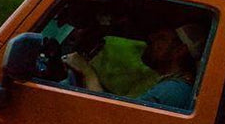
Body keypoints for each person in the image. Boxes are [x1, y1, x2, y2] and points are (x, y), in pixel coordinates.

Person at [62, 23, 207, 111]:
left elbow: (111, 117)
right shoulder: (171, 86)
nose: (151, 40)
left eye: (162, 39)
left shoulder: (172, 91)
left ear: (180, 50)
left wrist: (87, 72)